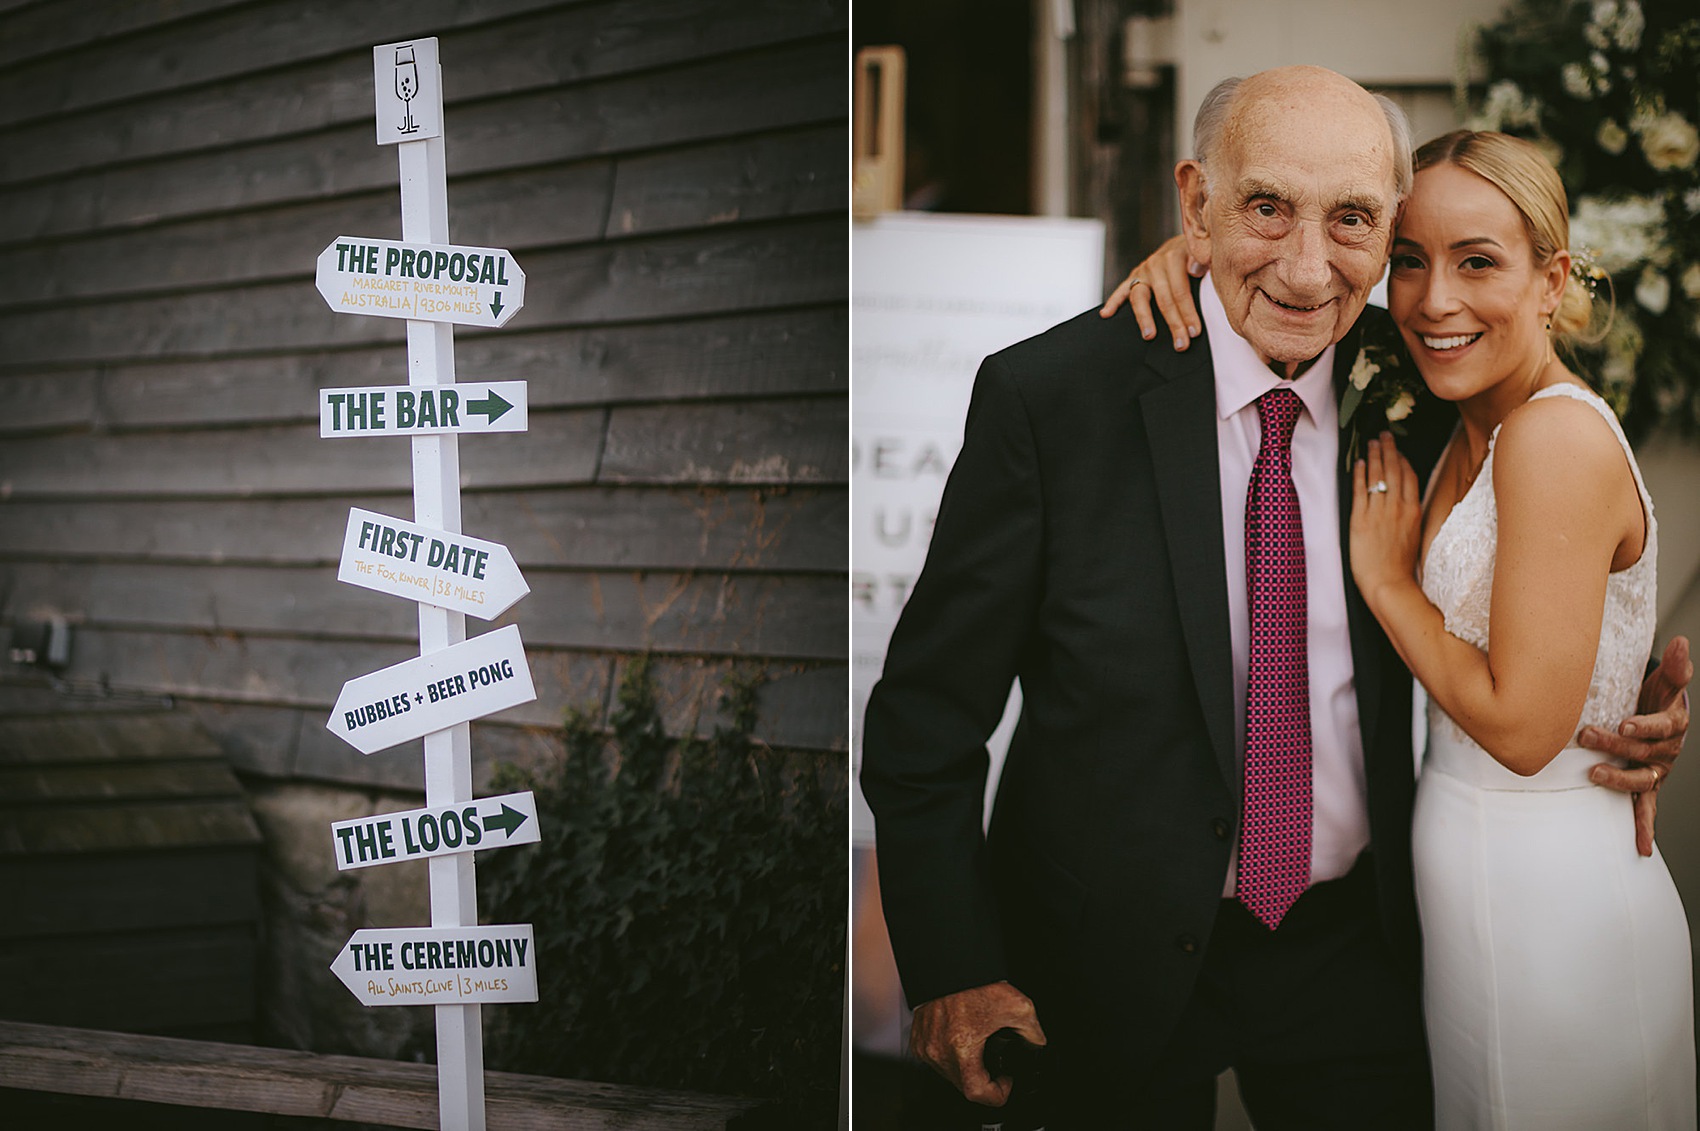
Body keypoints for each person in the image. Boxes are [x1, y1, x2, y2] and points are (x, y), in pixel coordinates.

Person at [859, 65, 1692, 1129]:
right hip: (1092, 959)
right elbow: (925, 714)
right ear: (1192, 203)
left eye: (1350, 219)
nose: (1305, 270)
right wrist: (948, 963)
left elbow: (1532, 586)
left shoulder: (1425, 380)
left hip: (1354, 950)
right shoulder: (1051, 400)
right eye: (1264, 207)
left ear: (1387, 226)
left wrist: (1624, 709)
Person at [1119, 127, 1697, 1126]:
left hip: (1546, 896)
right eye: (1406, 262)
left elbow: (1521, 731)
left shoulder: (1551, 438)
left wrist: (1387, 585)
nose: (1433, 300)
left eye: (1478, 263)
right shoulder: (1447, 415)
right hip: (1456, 896)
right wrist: (1191, 251)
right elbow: (1291, 278)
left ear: (1550, 278)